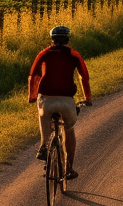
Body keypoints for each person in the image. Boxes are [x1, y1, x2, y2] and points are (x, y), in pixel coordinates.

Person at [28, 25, 92, 179]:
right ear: (68, 39)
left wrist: (32, 96)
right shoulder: (73, 54)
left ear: (52, 39)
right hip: (66, 101)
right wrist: (87, 98)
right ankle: (69, 168)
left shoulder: (43, 53)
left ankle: (44, 146)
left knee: (43, 116)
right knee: (69, 130)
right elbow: (84, 77)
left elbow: (34, 75)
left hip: (47, 100)